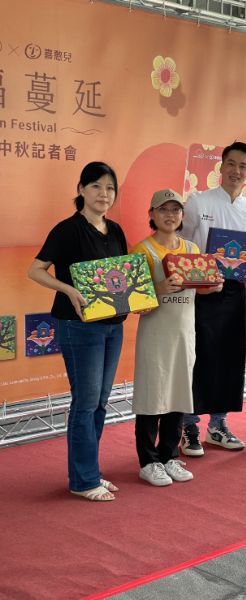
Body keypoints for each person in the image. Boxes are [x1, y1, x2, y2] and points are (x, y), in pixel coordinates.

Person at [28, 162, 127, 502]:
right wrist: (68, 289)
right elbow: (36, 270)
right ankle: (83, 481)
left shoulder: (116, 230)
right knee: (85, 402)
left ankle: (89, 472)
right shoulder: (67, 230)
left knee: (100, 401)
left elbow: (121, 276)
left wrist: (136, 299)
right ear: (81, 189)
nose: (104, 194)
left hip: (113, 326)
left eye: (110, 188)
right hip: (78, 325)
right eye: (96, 186)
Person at [131, 189, 223, 486]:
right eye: (163, 210)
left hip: (185, 333)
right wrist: (158, 289)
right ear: (151, 214)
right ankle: (148, 461)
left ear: (183, 215)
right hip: (155, 334)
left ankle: (169, 454)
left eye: (175, 210)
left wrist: (213, 285)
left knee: (179, 393)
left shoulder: (192, 249)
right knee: (152, 396)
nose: (170, 215)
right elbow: (133, 301)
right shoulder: (141, 251)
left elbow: (199, 288)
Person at [180, 141, 246, 456]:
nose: (236, 171)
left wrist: (240, 265)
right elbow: (183, 243)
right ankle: (189, 426)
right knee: (197, 355)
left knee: (229, 356)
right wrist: (200, 276)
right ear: (221, 166)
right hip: (200, 289)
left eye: (243, 166)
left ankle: (218, 424)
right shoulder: (198, 202)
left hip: (234, 290)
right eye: (231, 163)